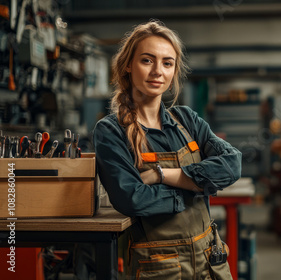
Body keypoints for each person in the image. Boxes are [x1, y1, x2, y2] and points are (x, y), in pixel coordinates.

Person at [93, 20, 241, 279]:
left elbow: (232, 164)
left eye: (167, 63)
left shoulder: (187, 120)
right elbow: (133, 199)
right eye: (147, 61)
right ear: (128, 65)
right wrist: (197, 187)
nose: (157, 71)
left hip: (211, 260)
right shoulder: (111, 131)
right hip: (158, 267)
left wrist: (163, 175)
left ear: (174, 71)